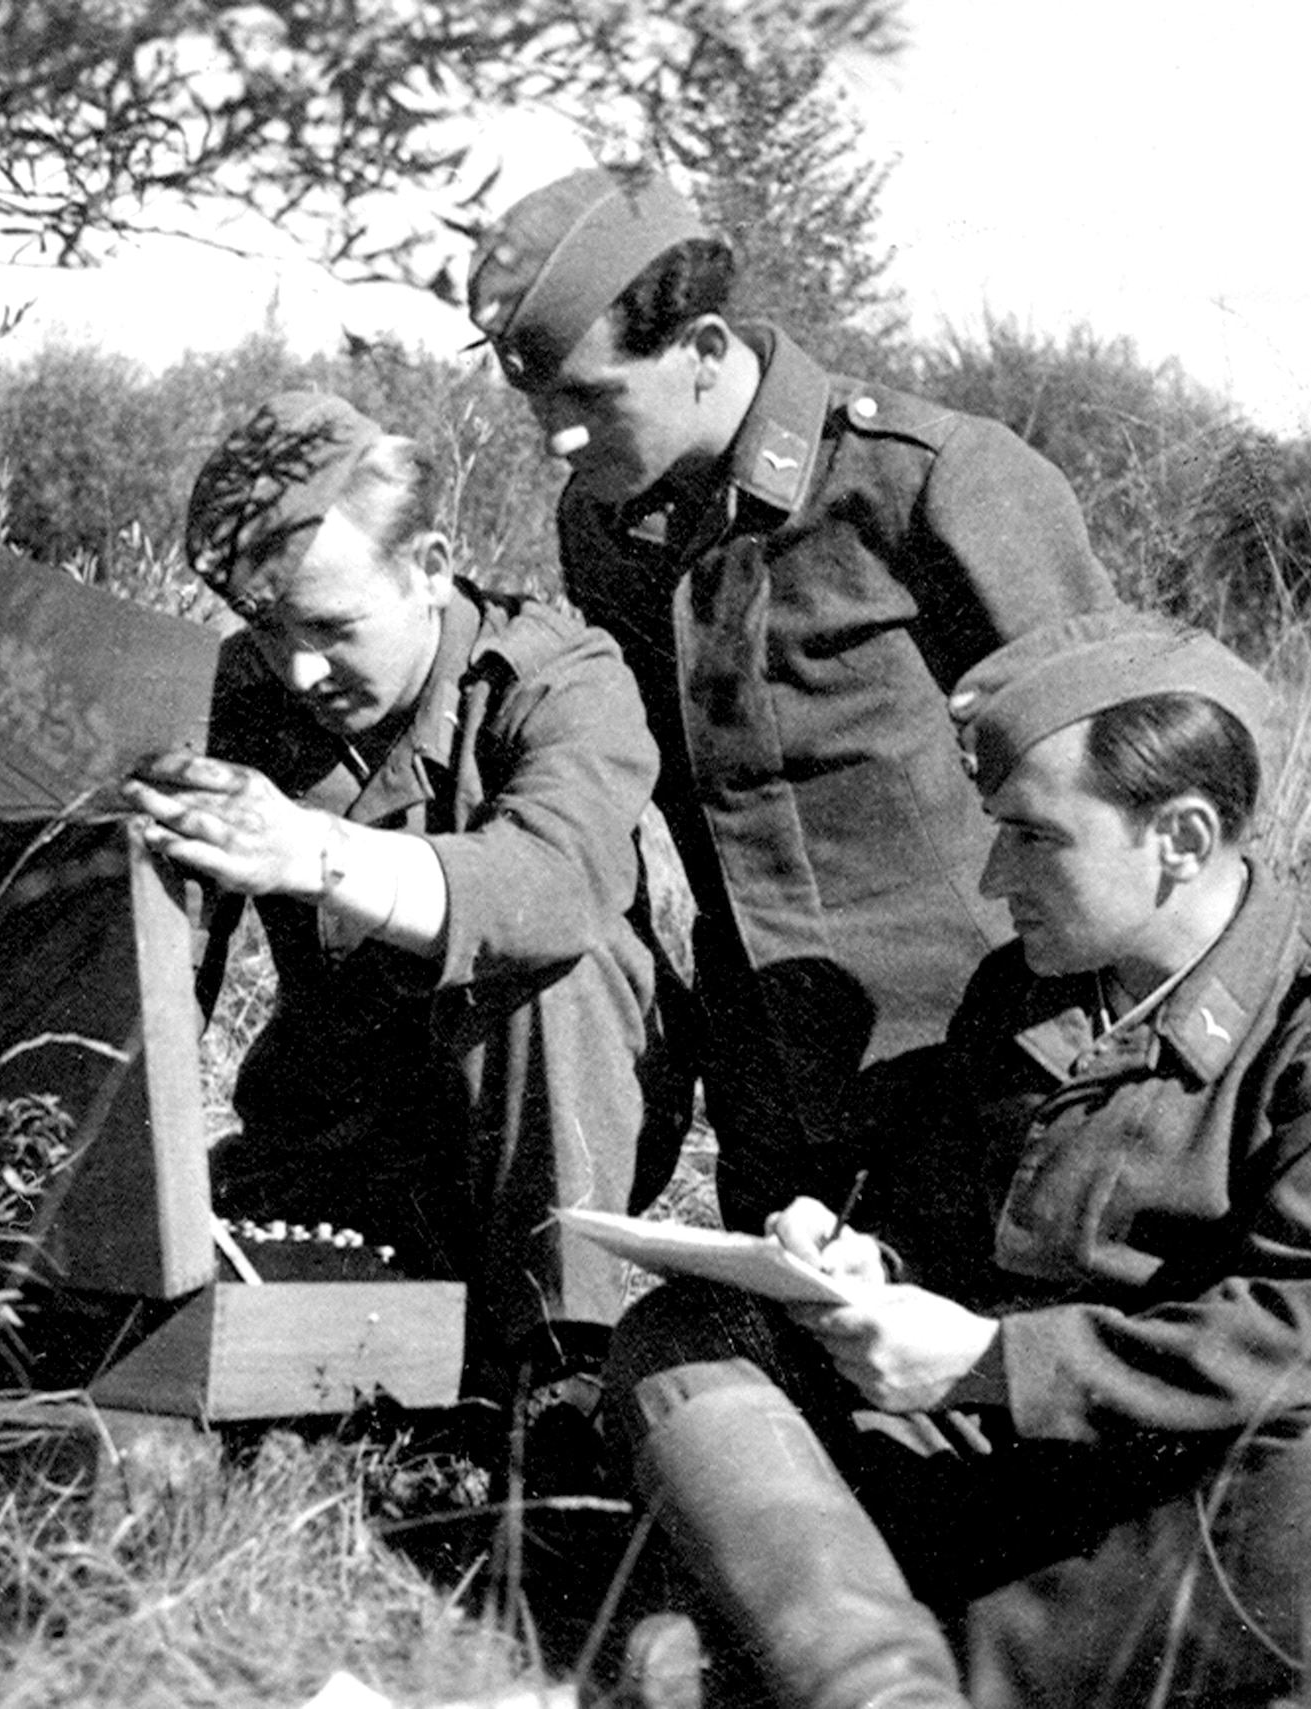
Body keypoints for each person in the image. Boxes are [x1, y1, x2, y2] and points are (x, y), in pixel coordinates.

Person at [597, 610, 1311, 1709]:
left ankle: (833, 1669)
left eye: (1031, 835)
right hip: (987, 1457)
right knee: (683, 1334)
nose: (991, 874)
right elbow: (933, 1226)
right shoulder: (1025, 987)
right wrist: (856, 1264)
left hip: (1178, 1479)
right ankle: (871, 1680)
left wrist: (989, 1362)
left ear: (1180, 836)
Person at [468, 166, 1121, 1231]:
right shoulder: (605, 526)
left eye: (589, 398)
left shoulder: (929, 480)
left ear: (705, 350)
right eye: (536, 405)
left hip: (981, 1065)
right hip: (775, 1088)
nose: (556, 440)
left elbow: (1122, 774)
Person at [123, 391, 681, 1400]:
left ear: (428, 568)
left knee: (554, 963)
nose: (299, 669)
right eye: (267, 626)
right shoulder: (239, 694)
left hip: (538, 1145)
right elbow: (162, 972)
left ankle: (560, 1362)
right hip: (342, 1136)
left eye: (332, 627)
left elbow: (552, 889)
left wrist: (312, 852)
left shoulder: (556, 676)